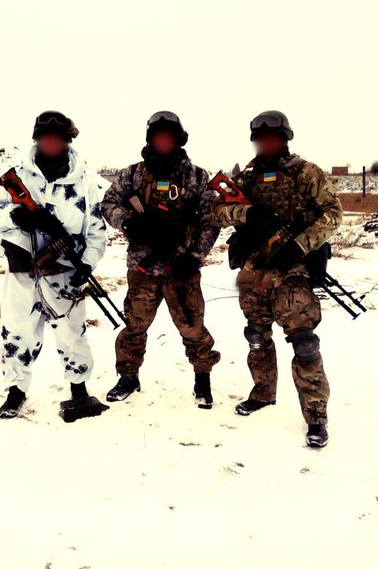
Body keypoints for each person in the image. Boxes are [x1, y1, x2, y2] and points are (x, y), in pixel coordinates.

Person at [212, 110, 343, 447]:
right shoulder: (247, 178)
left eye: (272, 138)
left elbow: (333, 214)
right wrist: (247, 213)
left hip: (293, 269)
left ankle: (316, 417)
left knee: (304, 342)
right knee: (256, 335)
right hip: (256, 269)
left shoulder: (306, 173)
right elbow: (217, 211)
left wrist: (301, 244)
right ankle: (262, 393)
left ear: (285, 139)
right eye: (261, 139)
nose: (266, 144)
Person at [0, 111, 107, 420]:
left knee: (72, 333)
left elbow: (96, 232)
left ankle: (79, 389)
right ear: (37, 139)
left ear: (66, 141)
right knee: (17, 332)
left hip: (63, 272)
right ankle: (15, 391)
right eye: (45, 138)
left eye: (57, 139)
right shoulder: (18, 177)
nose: (51, 143)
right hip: (22, 272)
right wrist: (15, 216)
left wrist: (86, 265)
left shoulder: (84, 183)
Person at [101, 111, 221, 408]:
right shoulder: (133, 174)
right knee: (134, 324)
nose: (163, 142)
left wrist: (195, 257)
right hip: (143, 267)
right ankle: (128, 377)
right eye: (158, 137)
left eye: (169, 137)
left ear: (179, 140)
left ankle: (202, 379)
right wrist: (128, 223)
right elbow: (109, 202)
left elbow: (210, 220)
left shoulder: (197, 177)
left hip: (182, 267)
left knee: (192, 326)